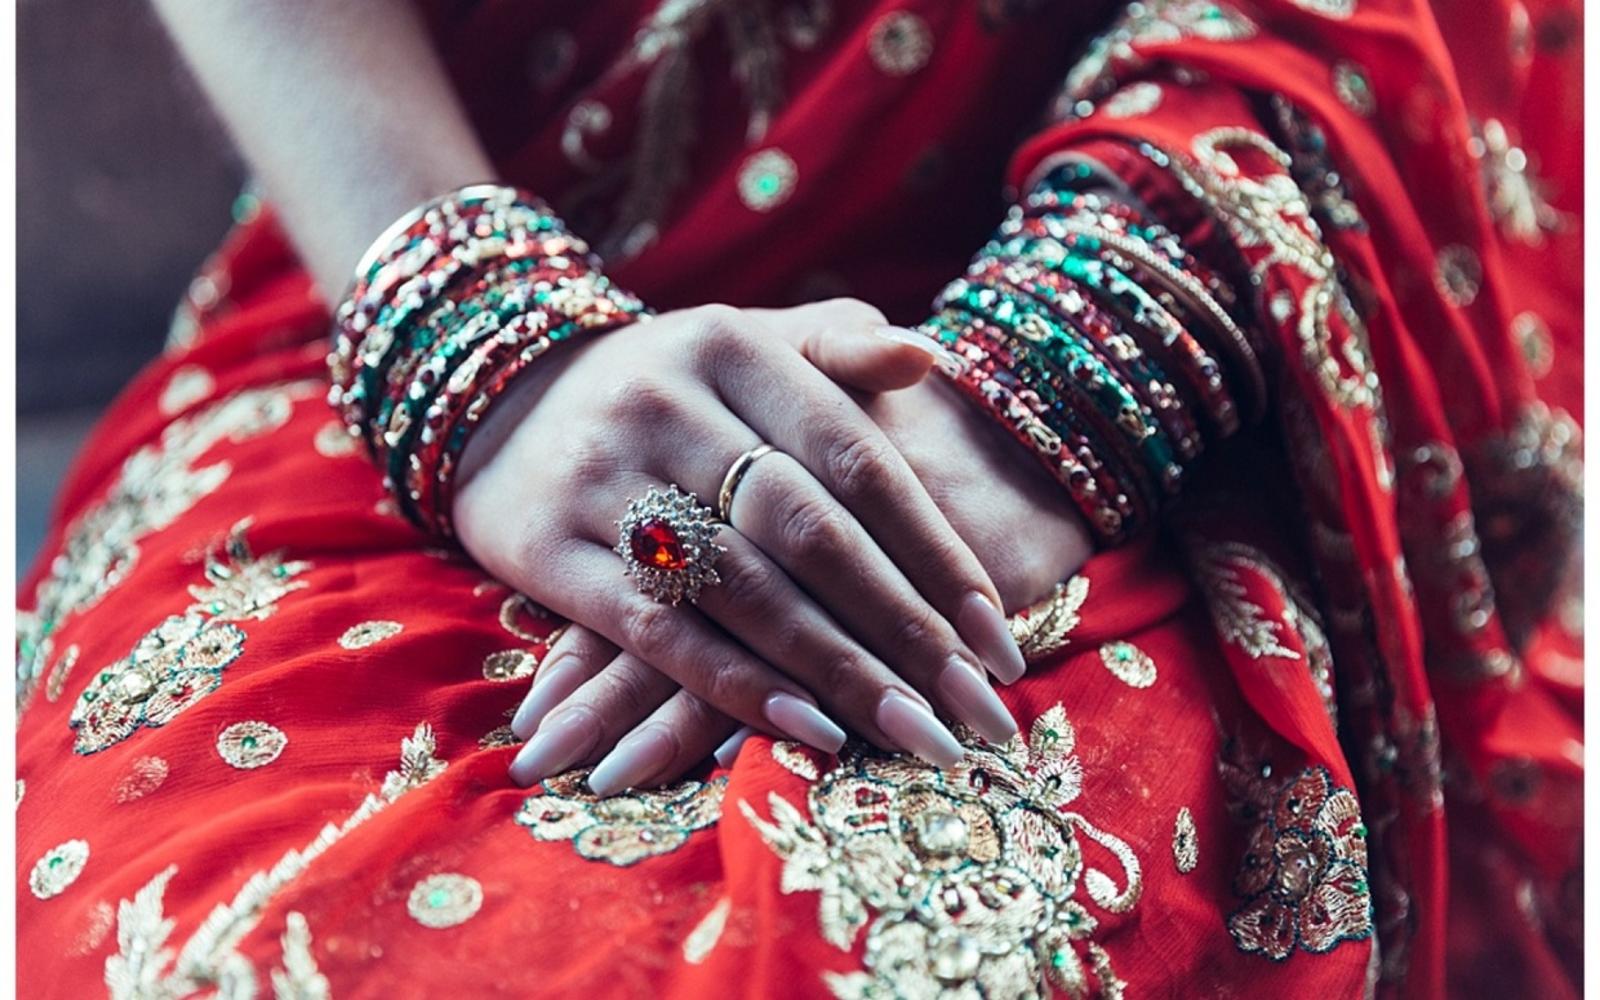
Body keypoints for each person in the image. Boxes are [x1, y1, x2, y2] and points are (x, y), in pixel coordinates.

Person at [15, 0, 1582, 996]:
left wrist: (1055, 382)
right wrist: (471, 334)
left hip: (1127, 294)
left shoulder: (1075, 379)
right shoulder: (449, 318)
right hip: (432, 252)